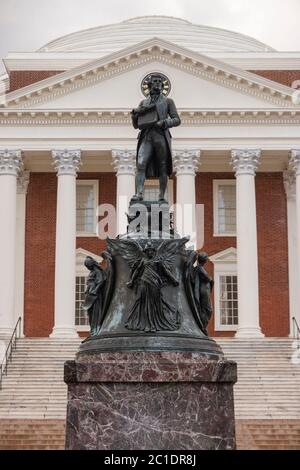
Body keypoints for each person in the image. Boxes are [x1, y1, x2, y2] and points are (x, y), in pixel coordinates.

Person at [131, 74, 181, 202]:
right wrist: (134, 115)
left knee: (162, 166)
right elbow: (136, 125)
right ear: (150, 85)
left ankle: (161, 196)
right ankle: (139, 194)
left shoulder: (168, 101)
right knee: (141, 163)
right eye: (155, 81)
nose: (158, 83)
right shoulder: (144, 103)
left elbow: (177, 120)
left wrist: (164, 122)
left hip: (160, 136)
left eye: (160, 81)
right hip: (147, 136)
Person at [82, 256, 106, 337]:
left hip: (95, 295)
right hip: (90, 293)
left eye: (88, 265)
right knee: (90, 311)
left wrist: (95, 290)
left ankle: (96, 329)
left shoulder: (97, 271)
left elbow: (101, 281)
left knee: (96, 311)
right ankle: (93, 328)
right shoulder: (92, 272)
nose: (88, 267)